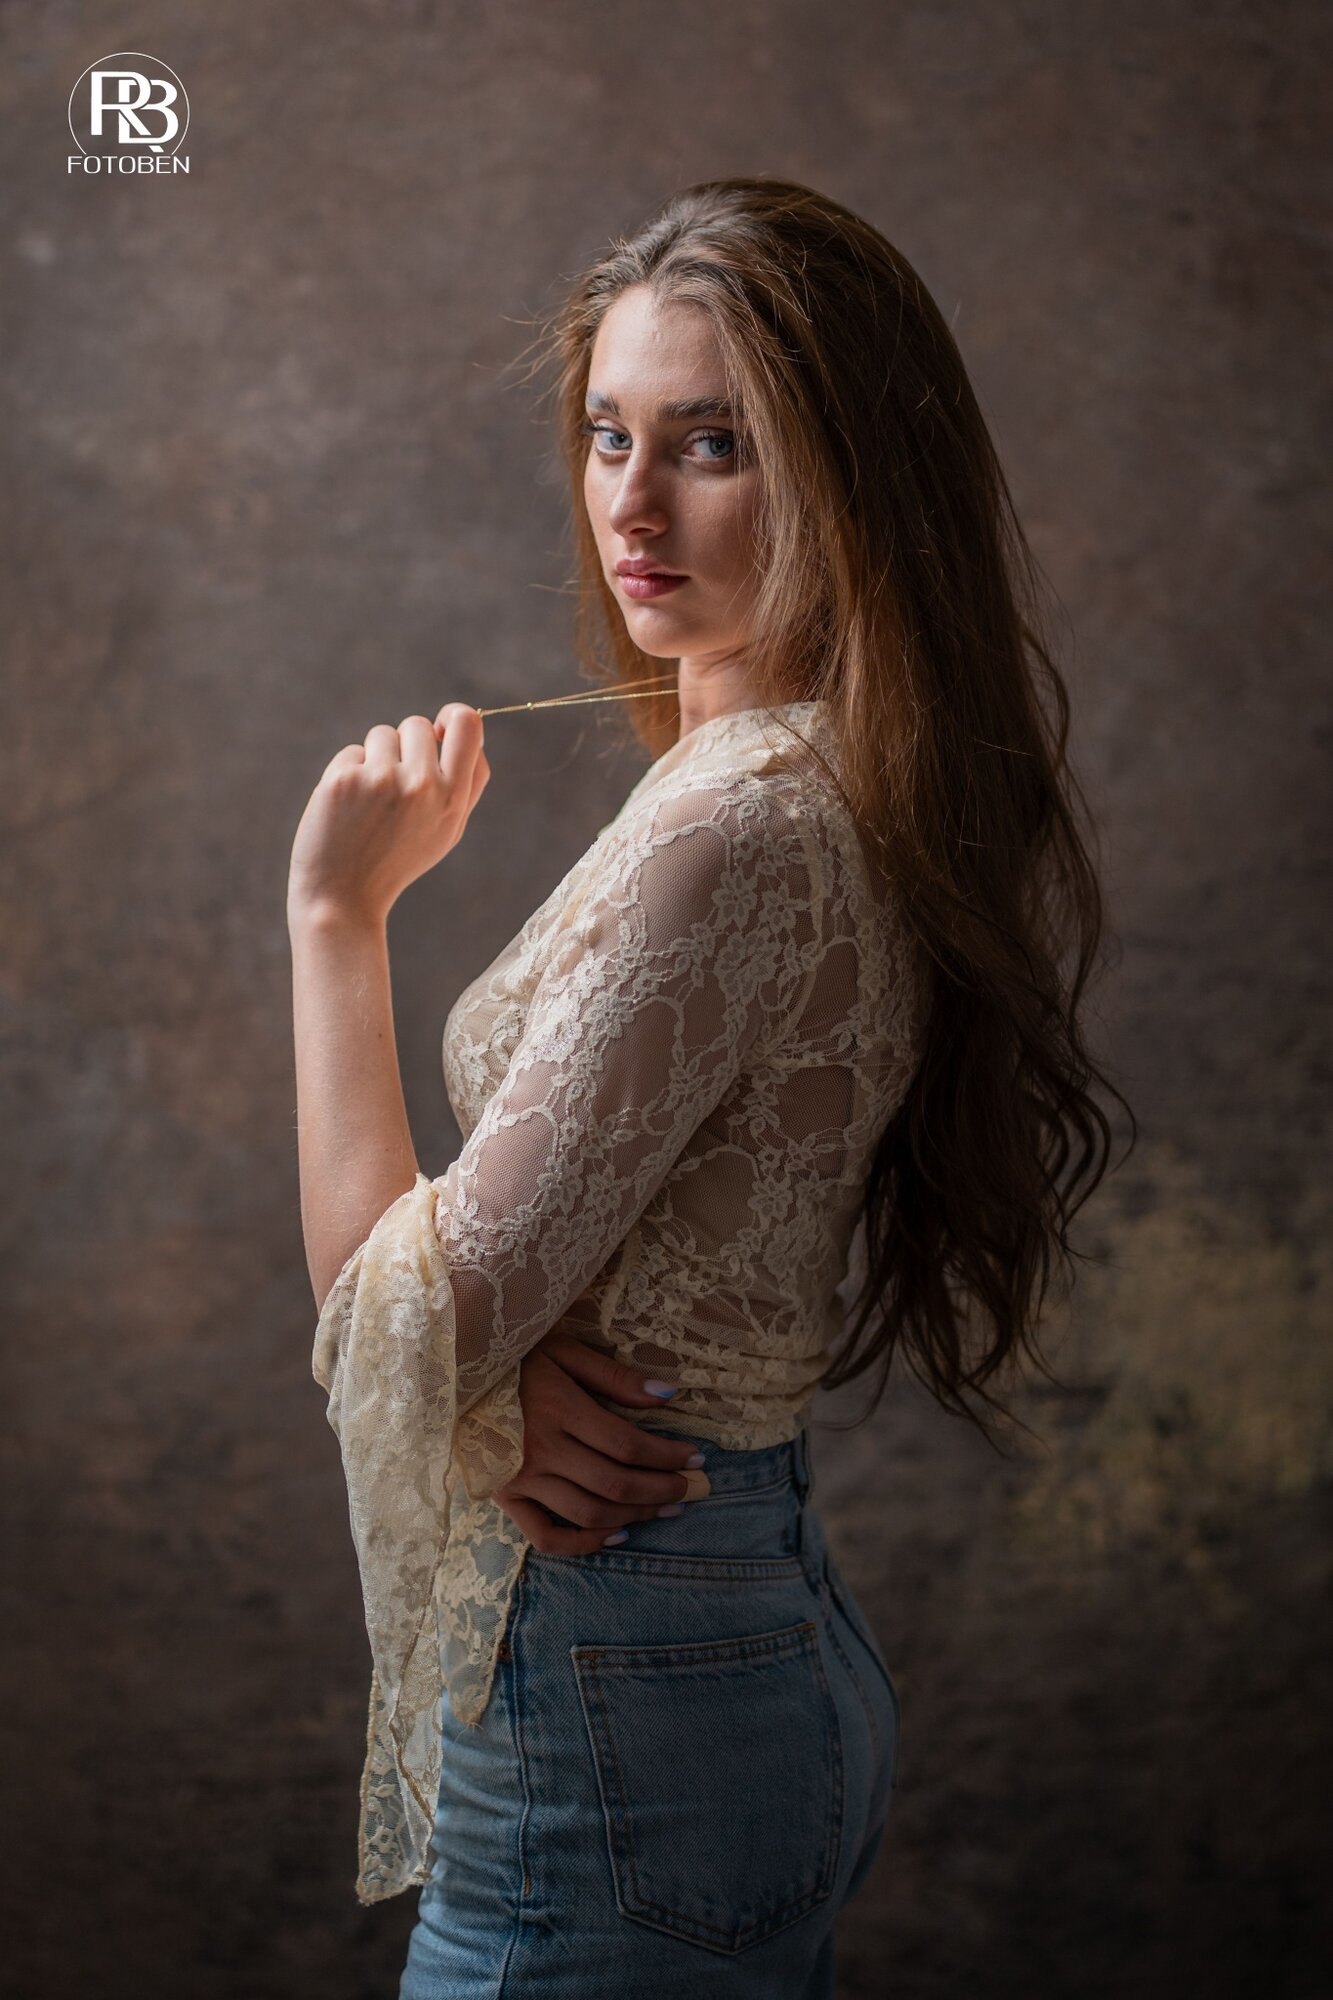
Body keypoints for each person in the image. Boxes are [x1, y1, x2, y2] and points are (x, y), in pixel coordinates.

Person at [287, 176, 1133, 1998]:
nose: (631, 504)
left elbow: (383, 1323)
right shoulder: (803, 773)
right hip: (709, 1633)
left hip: (625, 1668)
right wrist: (498, 1391)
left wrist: (335, 918)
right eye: (609, 435)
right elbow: (484, 1324)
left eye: (711, 444)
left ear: (850, 481)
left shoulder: (743, 829)